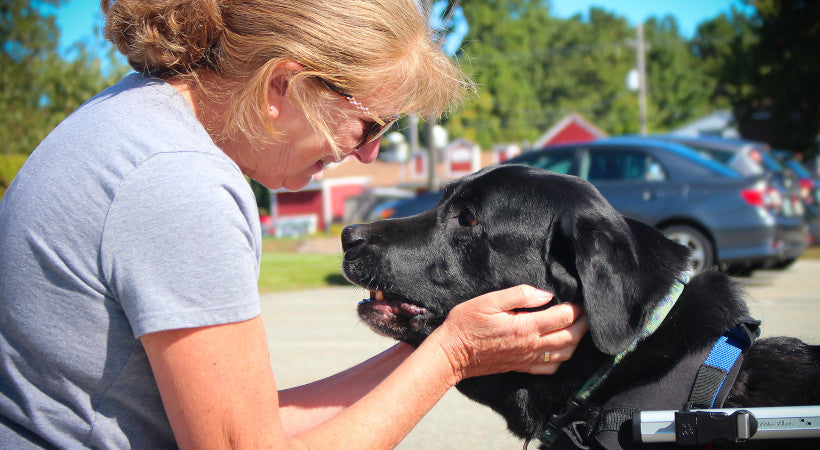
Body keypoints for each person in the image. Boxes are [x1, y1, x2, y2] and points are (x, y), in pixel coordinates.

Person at [0, 0, 588, 447]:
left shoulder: (134, 119)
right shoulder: (179, 184)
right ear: (285, 85)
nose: (370, 155)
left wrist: (444, 341)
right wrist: (454, 356)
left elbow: (248, 426)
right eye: (371, 124)